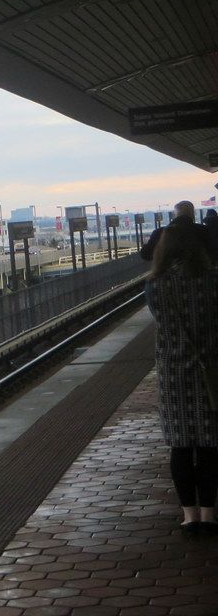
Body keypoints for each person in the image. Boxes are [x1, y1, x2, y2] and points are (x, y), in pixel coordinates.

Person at [145, 223, 218, 535]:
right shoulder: (213, 281)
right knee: (210, 446)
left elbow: (159, 320)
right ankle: (209, 515)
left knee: (180, 446)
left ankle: (189, 516)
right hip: (210, 373)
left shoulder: (155, 285)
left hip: (173, 374)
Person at [140, 200, 213, 261]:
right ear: (193, 213)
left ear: (176, 214)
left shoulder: (160, 232)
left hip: (168, 272)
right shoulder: (203, 231)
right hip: (196, 271)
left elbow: (146, 254)